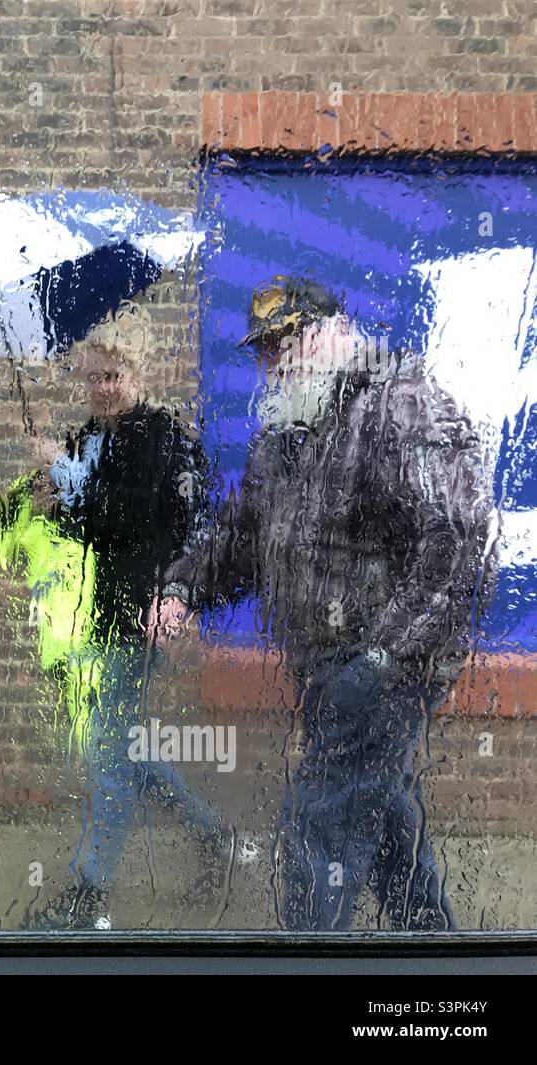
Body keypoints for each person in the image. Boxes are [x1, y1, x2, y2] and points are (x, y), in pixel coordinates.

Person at [152, 276, 496, 931]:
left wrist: (383, 655)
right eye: (267, 350)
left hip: (386, 669)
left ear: (338, 330)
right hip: (326, 668)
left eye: (291, 339)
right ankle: (435, 950)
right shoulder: (286, 433)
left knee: (317, 826)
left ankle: (306, 961)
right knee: (384, 818)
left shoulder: (403, 405)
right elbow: (242, 536)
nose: (278, 359)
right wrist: (181, 589)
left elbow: (457, 538)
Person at [0, 301, 231, 931]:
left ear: (139, 374)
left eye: (114, 376)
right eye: (94, 377)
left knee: (103, 752)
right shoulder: (88, 438)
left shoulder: (161, 438)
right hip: (89, 610)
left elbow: (140, 517)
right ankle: (214, 838)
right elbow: (86, 522)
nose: (103, 388)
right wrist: (49, 501)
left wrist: (63, 472)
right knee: (120, 745)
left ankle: (87, 895)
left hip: (133, 614)